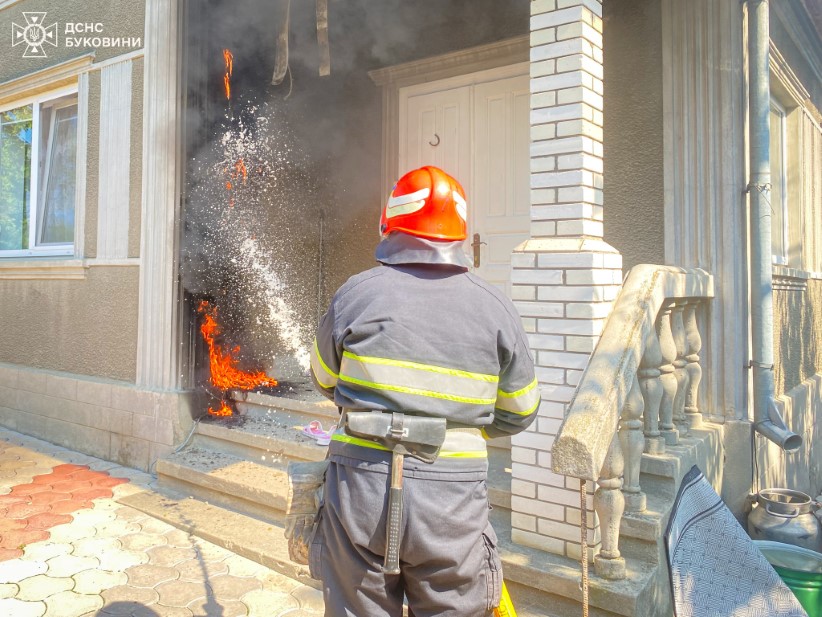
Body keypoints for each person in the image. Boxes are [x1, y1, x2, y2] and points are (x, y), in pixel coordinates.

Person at [308, 165, 538, 617]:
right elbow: (521, 410)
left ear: (390, 225)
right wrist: (459, 428)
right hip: (450, 501)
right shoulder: (495, 307)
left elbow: (323, 378)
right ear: (459, 233)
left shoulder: (355, 294)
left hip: (359, 487)